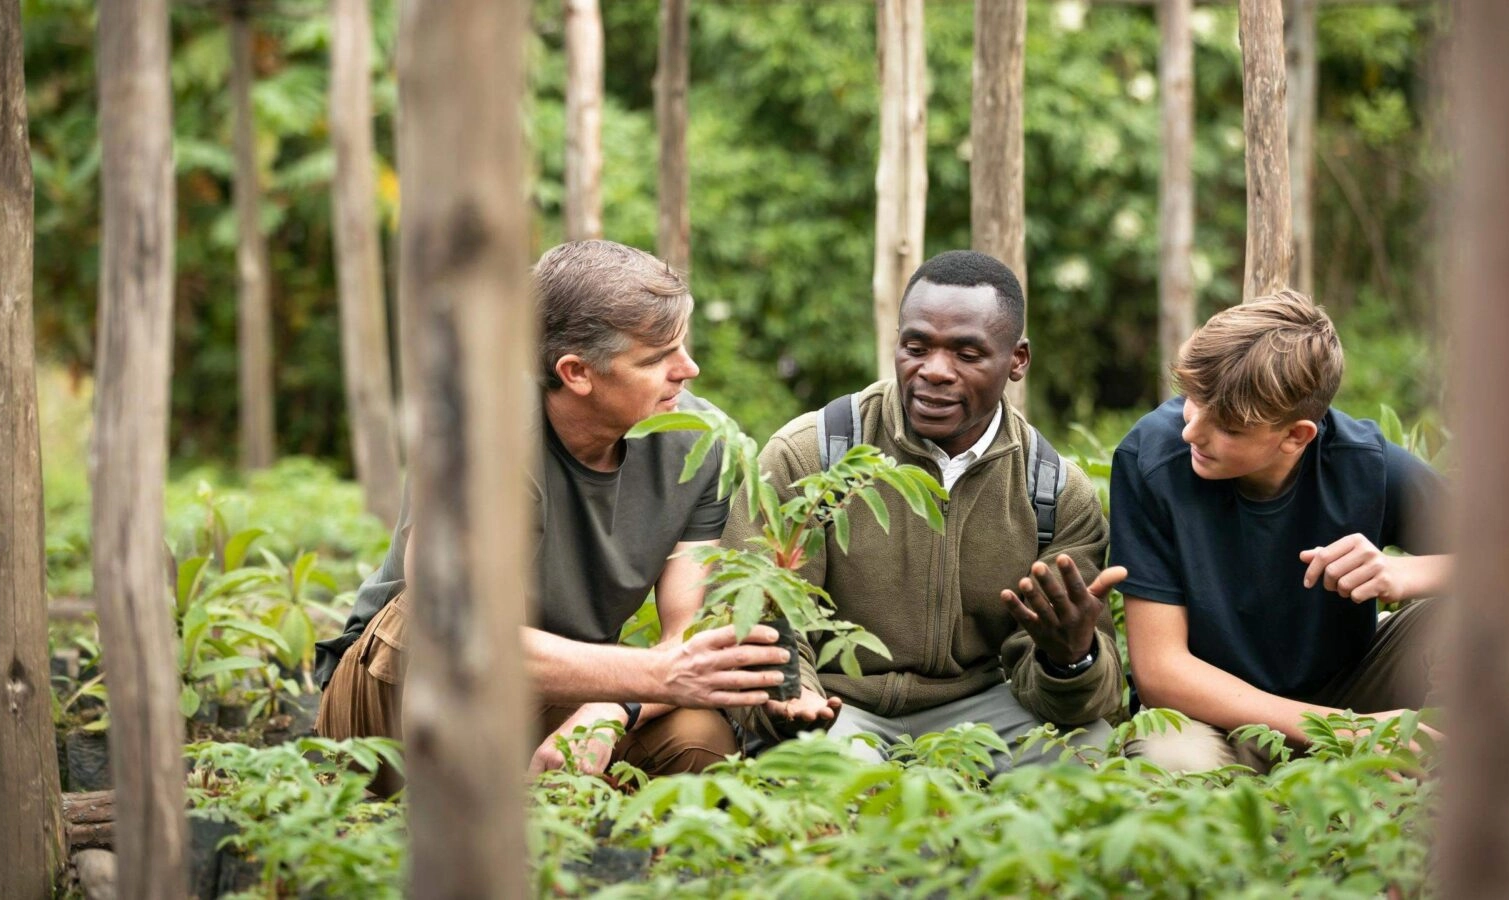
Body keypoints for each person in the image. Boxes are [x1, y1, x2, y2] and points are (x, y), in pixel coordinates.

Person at [313, 240, 790, 793]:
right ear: (576, 372)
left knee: (700, 736)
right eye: (657, 358)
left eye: (682, 346)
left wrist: (616, 709)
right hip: (408, 684)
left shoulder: (703, 443)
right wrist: (652, 675)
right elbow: (463, 634)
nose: (689, 370)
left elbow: (686, 637)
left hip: (569, 681)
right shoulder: (480, 427)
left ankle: (597, 856)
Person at [725, 250, 1127, 769]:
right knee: (838, 776)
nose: (934, 372)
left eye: (967, 354)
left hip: (982, 706)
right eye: (916, 347)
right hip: (837, 701)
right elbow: (760, 608)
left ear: (1018, 360)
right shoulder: (812, 453)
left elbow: (1085, 697)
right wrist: (793, 697)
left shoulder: (1052, 489)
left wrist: (1071, 659)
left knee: (1086, 750)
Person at [1109, 292, 1449, 773]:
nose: (1191, 432)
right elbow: (1161, 672)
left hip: (1349, 687)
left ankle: (1457, 782)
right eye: (1193, 400)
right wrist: (1350, 732)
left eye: (1226, 427)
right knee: (1170, 767)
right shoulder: (1151, 459)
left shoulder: (1364, 463)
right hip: (1208, 714)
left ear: (1297, 435)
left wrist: (1403, 573)